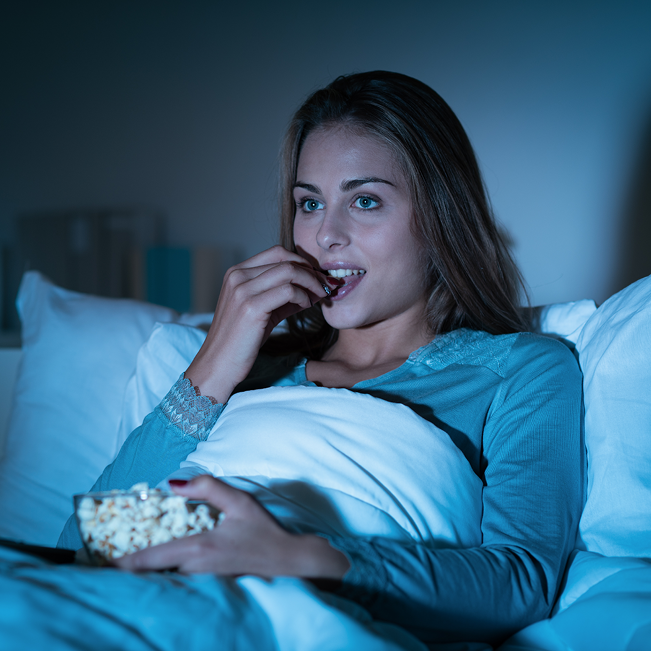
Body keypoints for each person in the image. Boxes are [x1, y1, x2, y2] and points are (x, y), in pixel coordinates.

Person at [57, 71, 583, 647]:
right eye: (309, 203)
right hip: (117, 604)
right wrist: (211, 366)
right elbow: (74, 546)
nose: (325, 235)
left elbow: (521, 583)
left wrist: (298, 556)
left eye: (364, 200)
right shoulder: (251, 369)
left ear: (440, 217)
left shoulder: (522, 370)